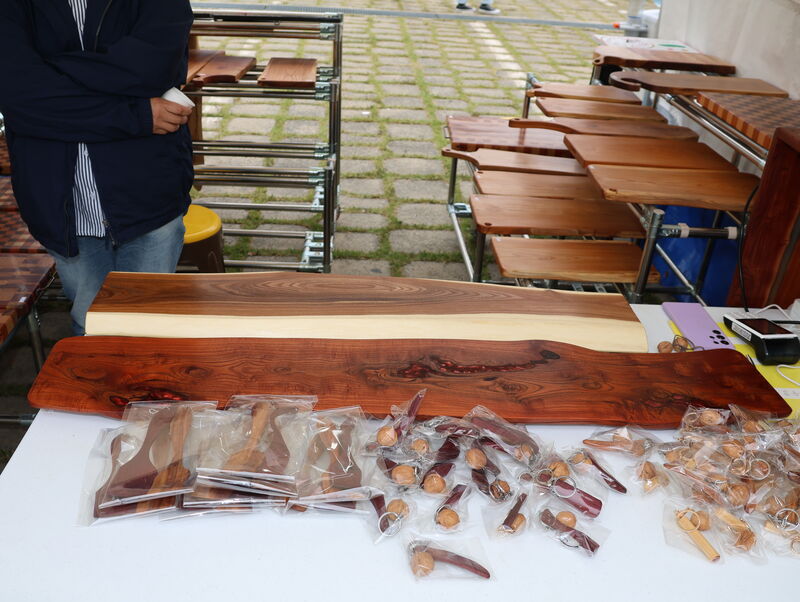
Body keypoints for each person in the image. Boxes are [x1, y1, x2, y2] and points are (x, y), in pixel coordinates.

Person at [0, 0, 195, 335]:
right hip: (59, 201)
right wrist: (136, 115)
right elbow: (19, 95)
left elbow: (152, 69)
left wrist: (51, 72)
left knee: (150, 324)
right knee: (89, 321)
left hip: (149, 188)